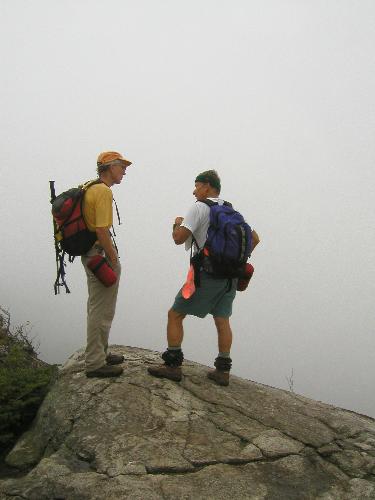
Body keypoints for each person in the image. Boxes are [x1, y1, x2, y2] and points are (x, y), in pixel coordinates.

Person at [148, 170, 259, 386]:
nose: (194, 191)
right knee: (222, 319)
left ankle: (172, 365)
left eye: (197, 186)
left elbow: (179, 239)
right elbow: (254, 238)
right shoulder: (229, 209)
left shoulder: (199, 207)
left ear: (207, 186)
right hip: (231, 277)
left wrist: (177, 223)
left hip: (207, 274)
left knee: (175, 314)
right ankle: (222, 371)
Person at [81, 151, 132, 378]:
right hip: (99, 256)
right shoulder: (102, 191)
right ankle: (94, 363)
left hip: (90, 254)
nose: (124, 171)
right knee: (101, 310)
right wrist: (113, 259)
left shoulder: (90, 187)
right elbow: (101, 230)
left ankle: (100, 353)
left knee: (98, 307)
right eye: (121, 166)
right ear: (109, 167)